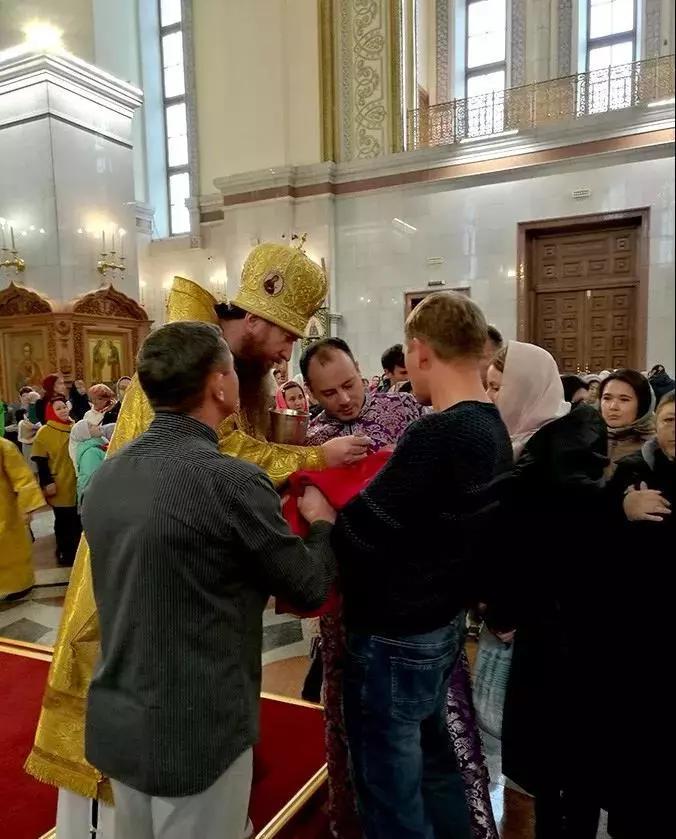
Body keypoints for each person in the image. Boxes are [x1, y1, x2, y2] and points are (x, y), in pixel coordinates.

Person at [26, 242, 370, 835]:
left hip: (131, 700)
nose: (287, 353)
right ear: (220, 379)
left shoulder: (106, 477)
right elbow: (299, 571)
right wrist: (315, 484)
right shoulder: (222, 460)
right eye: (287, 335)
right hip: (193, 710)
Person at [82, 322, 336, 839]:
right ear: (220, 385)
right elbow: (308, 585)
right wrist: (323, 524)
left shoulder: (108, 475)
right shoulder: (231, 480)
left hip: (119, 715)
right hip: (198, 726)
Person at [328, 292, 512, 839]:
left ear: (420, 351)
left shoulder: (438, 432)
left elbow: (359, 532)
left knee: (390, 792)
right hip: (439, 625)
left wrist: (319, 513)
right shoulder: (491, 425)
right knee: (435, 772)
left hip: (395, 633)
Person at [485, 341, 608, 839]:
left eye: (498, 387)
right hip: (543, 620)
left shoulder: (557, 451)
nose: (492, 397)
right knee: (548, 750)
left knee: (567, 745)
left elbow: (542, 545)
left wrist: (506, 608)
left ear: (525, 387)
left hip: (564, 625)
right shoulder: (531, 441)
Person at [601, 391, 673, 838]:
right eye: (668, 420)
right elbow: (598, 540)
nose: (675, 429)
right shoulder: (633, 470)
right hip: (639, 624)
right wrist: (621, 511)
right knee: (638, 732)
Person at [31, 398, 81, 567]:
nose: (63, 410)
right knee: (63, 521)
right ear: (51, 412)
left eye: (64, 407)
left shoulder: (75, 427)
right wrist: (47, 482)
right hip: (59, 483)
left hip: (76, 481)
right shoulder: (45, 432)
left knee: (77, 520)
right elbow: (40, 460)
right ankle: (65, 553)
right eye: (58, 409)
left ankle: (78, 554)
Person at [0, 436, 45, 600]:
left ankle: (20, 584)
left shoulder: (4, 446)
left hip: (5, 510)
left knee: (11, 551)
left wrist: (27, 506)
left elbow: (23, 478)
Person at [599, 368, 655, 476]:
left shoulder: (656, 447)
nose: (613, 407)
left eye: (624, 399)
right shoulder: (587, 439)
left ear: (642, 404)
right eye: (607, 398)